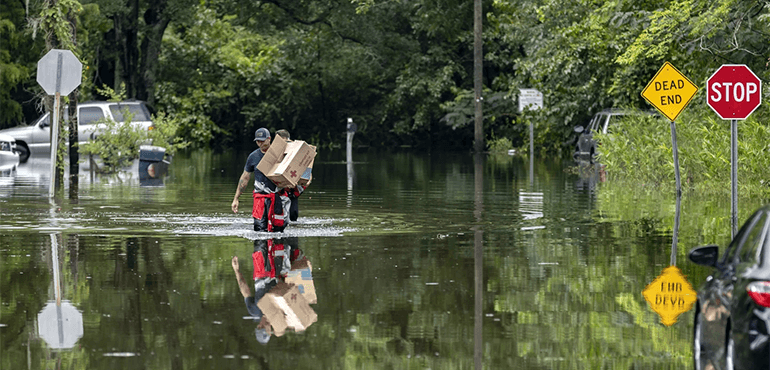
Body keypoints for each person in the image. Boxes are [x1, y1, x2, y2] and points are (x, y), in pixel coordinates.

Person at [232, 128, 288, 232]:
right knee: (259, 230)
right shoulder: (253, 157)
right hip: (260, 198)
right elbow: (244, 178)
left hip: (277, 198)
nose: (260, 143)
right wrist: (236, 198)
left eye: (262, 140)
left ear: (269, 139)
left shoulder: (280, 154)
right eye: (258, 141)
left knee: (278, 229)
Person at [274, 129, 308, 222]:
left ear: (285, 138)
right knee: (279, 214)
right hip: (281, 188)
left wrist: (307, 180)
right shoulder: (275, 152)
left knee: (293, 215)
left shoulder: (297, 151)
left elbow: (307, 168)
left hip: (293, 189)